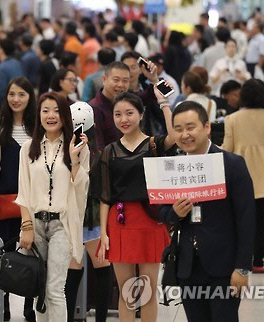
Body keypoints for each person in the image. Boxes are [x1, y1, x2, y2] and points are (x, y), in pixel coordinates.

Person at [159, 101, 255, 322]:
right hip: (187, 265)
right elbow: (162, 212)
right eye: (179, 129)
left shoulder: (232, 165)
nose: (185, 135)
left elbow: (246, 219)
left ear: (207, 127)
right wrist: (175, 213)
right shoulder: (172, 169)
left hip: (224, 265)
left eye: (191, 127)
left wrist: (242, 268)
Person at [97, 88, 175, 322]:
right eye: (118, 114)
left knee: (148, 290)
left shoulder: (154, 144)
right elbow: (105, 195)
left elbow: (175, 136)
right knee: (127, 291)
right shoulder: (109, 151)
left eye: (129, 113)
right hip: (120, 221)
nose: (124, 119)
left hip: (150, 220)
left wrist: (164, 103)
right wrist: (103, 232)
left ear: (141, 115)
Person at [16, 92, 89, 321]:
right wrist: (26, 226)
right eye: (45, 110)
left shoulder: (77, 146)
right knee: (39, 290)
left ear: (65, 115)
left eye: (57, 110)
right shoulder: (28, 147)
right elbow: (23, 192)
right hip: (35, 223)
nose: (51, 115)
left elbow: (82, 189)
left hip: (62, 224)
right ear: (38, 115)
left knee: (55, 289)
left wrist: (75, 160)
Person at [222, 79, 264, 273]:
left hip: (239, 174)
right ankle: (257, 262)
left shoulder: (232, 119)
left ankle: (236, 261)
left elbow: (228, 149)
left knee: (237, 219)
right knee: (260, 221)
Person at [0, 77, 36, 322]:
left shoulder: (37, 127)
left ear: (30, 97)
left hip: (33, 203)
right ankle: (3, 305)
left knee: (33, 256)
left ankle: (30, 306)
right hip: (4, 200)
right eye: (12, 94)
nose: (16, 99)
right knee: (3, 255)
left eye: (22, 94)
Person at [0, 38, 24, 106]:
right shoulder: (17, 63)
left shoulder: (2, 67)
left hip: (7, 103)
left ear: (1, 50)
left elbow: (0, 91)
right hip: (19, 99)